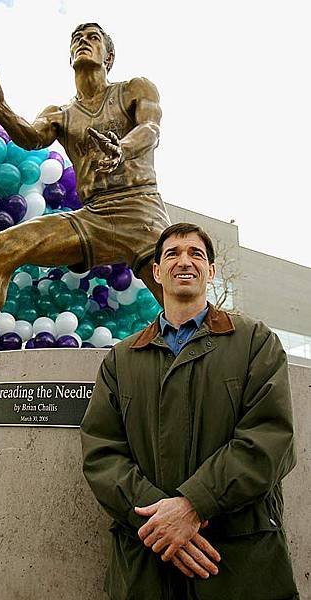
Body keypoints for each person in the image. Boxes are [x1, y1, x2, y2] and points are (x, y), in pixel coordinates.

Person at [0, 22, 170, 380]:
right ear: (70, 55)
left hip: (139, 209)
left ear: (109, 56)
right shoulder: (61, 112)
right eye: (77, 39)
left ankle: (221, 367)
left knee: (185, 303)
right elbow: (32, 137)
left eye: (93, 37)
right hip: (94, 216)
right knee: (4, 245)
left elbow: (151, 129)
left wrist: (123, 148)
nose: (83, 42)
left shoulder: (134, 88)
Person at [81, 222, 298, 600]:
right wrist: (161, 523)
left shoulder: (255, 341)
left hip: (237, 565)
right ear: (158, 272)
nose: (185, 261)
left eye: (196, 254)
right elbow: (102, 453)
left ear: (211, 272)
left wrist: (194, 505)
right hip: (146, 567)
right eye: (172, 254)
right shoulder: (122, 358)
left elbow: (269, 440)